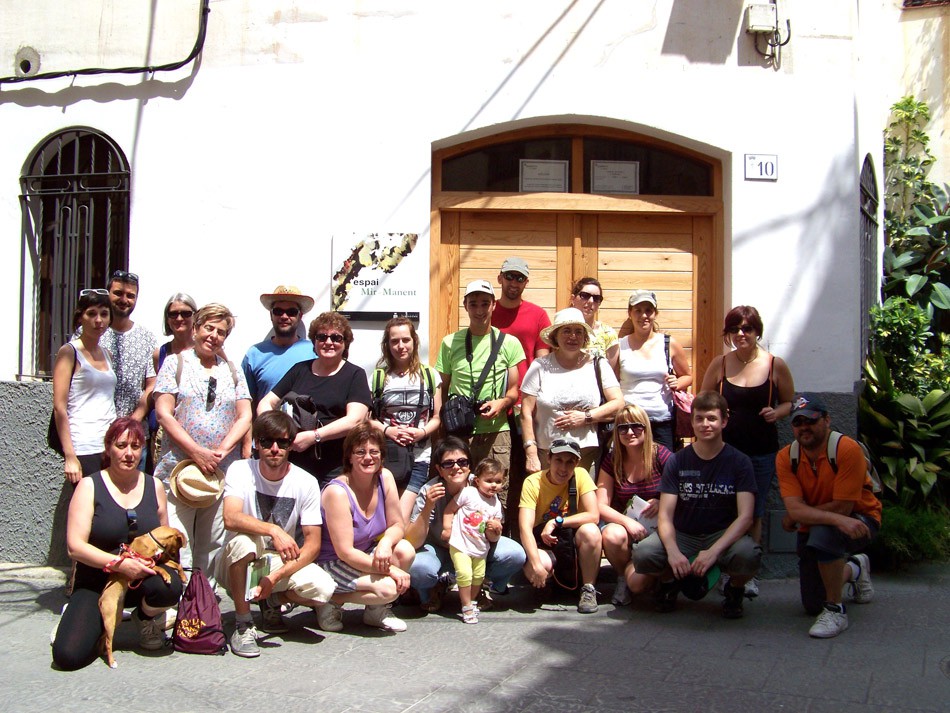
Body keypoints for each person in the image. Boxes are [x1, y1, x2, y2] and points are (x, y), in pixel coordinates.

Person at [52, 417, 183, 671]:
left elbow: (165, 540)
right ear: (108, 448)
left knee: (171, 586)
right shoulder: (89, 486)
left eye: (135, 447)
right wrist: (120, 564)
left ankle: (145, 618)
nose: (129, 453)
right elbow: (74, 547)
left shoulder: (154, 486)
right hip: (97, 582)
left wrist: (169, 565)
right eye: (121, 445)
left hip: (142, 579)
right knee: (68, 657)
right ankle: (81, 616)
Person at [631, 391, 760, 619]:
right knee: (644, 553)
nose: (705, 424)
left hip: (720, 534)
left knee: (748, 554)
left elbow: (746, 517)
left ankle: (735, 589)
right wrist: (672, 552)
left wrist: (713, 552)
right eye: (699, 418)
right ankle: (668, 582)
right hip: (683, 533)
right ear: (691, 422)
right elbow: (665, 515)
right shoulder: (678, 460)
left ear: (724, 421)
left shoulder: (740, 462)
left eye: (711, 418)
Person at [219, 411, 336, 657]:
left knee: (323, 588)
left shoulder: (306, 482)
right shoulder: (240, 470)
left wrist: (275, 578)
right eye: (266, 442)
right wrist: (273, 530)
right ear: (256, 444)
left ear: (290, 445)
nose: (274, 449)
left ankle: (271, 599)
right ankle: (243, 622)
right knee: (243, 543)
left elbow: (313, 545)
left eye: (282, 443)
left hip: (277, 563)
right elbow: (230, 517)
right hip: (239, 562)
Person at [153, 303, 252, 586]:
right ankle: (173, 609)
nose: (214, 336)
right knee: (177, 541)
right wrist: (196, 451)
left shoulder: (231, 370)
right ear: (196, 329)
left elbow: (245, 415)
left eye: (221, 332)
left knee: (212, 544)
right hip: (179, 469)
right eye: (209, 328)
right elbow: (163, 413)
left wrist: (221, 451)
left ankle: (201, 608)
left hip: (218, 472)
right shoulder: (176, 363)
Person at [700, 305, 794, 596]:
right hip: (724, 451)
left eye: (747, 329)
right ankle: (724, 567)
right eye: (735, 329)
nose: (741, 334)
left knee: (754, 511)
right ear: (727, 333)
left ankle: (748, 572)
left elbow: (791, 402)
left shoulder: (774, 364)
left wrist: (777, 413)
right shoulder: (721, 363)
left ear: (757, 332)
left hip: (761, 451)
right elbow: (703, 403)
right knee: (724, 509)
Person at [776, 394, 881, 638]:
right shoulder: (786, 457)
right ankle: (855, 567)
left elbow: (844, 509)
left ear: (826, 420)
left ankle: (836, 609)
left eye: (810, 421)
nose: (804, 427)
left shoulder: (847, 449)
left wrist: (806, 516)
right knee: (812, 604)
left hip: (861, 519)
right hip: (821, 524)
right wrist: (808, 516)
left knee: (824, 533)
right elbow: (794, 510)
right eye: (798, 422)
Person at [436, 279, 525, 522]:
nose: (479, 310)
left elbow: (515, 391)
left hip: (498, 433)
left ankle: (495, 552)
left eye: (485, 303)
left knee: (497, 498)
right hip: (461, 433)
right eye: (473, 303)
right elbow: (442, 388)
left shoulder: (509, 343)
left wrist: (501, 403)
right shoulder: (449, 342)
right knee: (460, 496)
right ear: (465, 305)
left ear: (494, 305)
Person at [406, 437, 526, 613]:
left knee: (514, 554)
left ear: (470, 466)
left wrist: (495, 531)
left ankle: (477, 585)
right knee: (419, 567)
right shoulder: (429, 490)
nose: (456, 467)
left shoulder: (483, 484)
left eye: (462, 462)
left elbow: (492, 529)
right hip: (440, 549)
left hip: (475, 546)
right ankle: (434, 587)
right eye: (448, 463)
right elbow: (412, 541)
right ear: (439, 469)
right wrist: (428, 507)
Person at [315, 424, 415, 633]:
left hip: (364, 552)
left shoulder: (384, 477)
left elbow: (398, 525)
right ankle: (328, 601)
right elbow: (345, 552)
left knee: (404, 551)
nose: (368, 457)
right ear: (349, 457)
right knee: (389, 588)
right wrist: (390, 570)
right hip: (333, 562)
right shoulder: (338, 492)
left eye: (374, 452)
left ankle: (375, 611)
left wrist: (385, 544)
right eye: (360, 452)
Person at [259, 312, 372, 488]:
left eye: (336, 337)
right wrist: (279, 433)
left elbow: (355, 420)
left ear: (345, 343)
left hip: (336, 466)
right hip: (295, 464)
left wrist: (314, 437)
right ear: (314, 341)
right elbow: (266, 403)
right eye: (322, 337)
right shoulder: (299, 370)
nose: (328, 342)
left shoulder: (355, 375)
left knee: (330, 513)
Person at [491, 257, 551, 543]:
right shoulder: (487, 309)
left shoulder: (538, 315)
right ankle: (500, 541)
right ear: (500, 278)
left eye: (520, 278)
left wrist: (537, 401)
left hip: (527, 409)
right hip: (493, 409)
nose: (514, 283)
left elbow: (543, 362)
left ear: (526, 282)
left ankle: (524, 542)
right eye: (510, 277)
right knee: (499, 478)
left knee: (527, 476)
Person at [521, 307, 624, 473]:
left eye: (578, 331)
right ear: (555, 336)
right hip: (547, 454)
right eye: (566, 331)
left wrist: (586, 417)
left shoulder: (598, 364)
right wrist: (531, 452)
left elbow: (618, 403)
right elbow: (526, 412)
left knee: (583, 498)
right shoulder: (540, 366)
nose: (573, 336)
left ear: (584, 337)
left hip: (586, 454)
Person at [596, 404, 672, 605]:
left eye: (636, 426)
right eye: (622, 428)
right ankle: (623, 577)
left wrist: (662, 499)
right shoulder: (612, 460)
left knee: (638, 584)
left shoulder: (662, 455)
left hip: (658, 530)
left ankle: (661, 578)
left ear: (646, 428)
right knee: (611, 534)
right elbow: (600, 505)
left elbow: (681, 491)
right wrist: (626, 523)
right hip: (629, 528)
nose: (629, 432)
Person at [368, 317, 442, 519]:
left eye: (405, 340)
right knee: (386, 514)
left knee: (401, 514)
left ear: (414, 342)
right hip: (387, 456)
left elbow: (437, 417)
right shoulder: (378, 377)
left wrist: (422, 432)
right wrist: (388, 431)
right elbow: (368, 419)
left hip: (420, 456)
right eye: (394, 341)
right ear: (387, 344)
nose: (401, 346)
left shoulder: (429, 375)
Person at [519, 438, 602, 614]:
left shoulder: (581, 475)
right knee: (540, 563)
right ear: (548, 459)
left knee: (591, 531)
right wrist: (535, 564)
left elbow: (594, 515)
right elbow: (525, 528)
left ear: (577, 463)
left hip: (570, 539)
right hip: (543, 542)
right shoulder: (533, 482)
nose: (563, 468)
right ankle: (546, 583)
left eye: (569, 462)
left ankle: (588, 589)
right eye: (559, 460)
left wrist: (557, 521)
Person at [611, 289, 692, 450]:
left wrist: (677, 382)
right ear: (630, 313)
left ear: (655, 313)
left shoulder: (669, 344)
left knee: (664, 471)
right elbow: (612, 384)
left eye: (648, 310)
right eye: (638, 311)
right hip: (629, 423)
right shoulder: (620, 345)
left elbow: (687, 376)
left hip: (662, 422)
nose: (643, 316)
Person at [52, 289, 117, 482]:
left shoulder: (107, 354)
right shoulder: (69, 352)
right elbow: (59, 407)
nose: (99, 320)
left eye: (104, 314)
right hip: (84, 445)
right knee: (87, 505)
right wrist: (70, 455)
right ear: (81, 317)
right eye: (92, 313)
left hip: (109, 444)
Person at [442, 458, 505, 624]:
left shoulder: (496, 505)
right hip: (460, 542)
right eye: (489, 481)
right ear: (477, 480)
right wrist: (447, 528)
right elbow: (450, 510)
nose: (493, 485)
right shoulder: (469, 493)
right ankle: (466, 607)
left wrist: (495, 529)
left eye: (498, 481)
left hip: (480, 546)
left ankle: (469, 600)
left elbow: (492, 538)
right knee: (464, 574)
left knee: (478, 576)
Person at [98, 270, 158, 434]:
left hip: (134, 436)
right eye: (118, 293)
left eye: (130, 295)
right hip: (95, 434)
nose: (124, 300)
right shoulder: (91, 333)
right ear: (108, 294)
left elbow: (151, 386)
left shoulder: (147, 338)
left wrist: (132, 423)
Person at [241, 285, 316, 410]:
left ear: (300, 316)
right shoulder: (254, 354)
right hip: (267, 427)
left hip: (306, 428)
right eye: (278, 311)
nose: (284, 316)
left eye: (291, 312)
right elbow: (247, 403)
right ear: (271, 315)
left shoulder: (314, 351)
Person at [146, 292, 198, 471]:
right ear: (167, 319)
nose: (179, 318)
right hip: (164, 433)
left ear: (195, 316)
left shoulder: (207, 351)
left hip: (195, 432)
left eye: (185, 313)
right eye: (173, 314)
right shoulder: (159, 353)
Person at [569, 277, 618, 360]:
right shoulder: (561, 332)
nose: (591, 301)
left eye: (596, 298)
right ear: (573, 299)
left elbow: (610, 371)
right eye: (585, 296)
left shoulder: (608, 334)